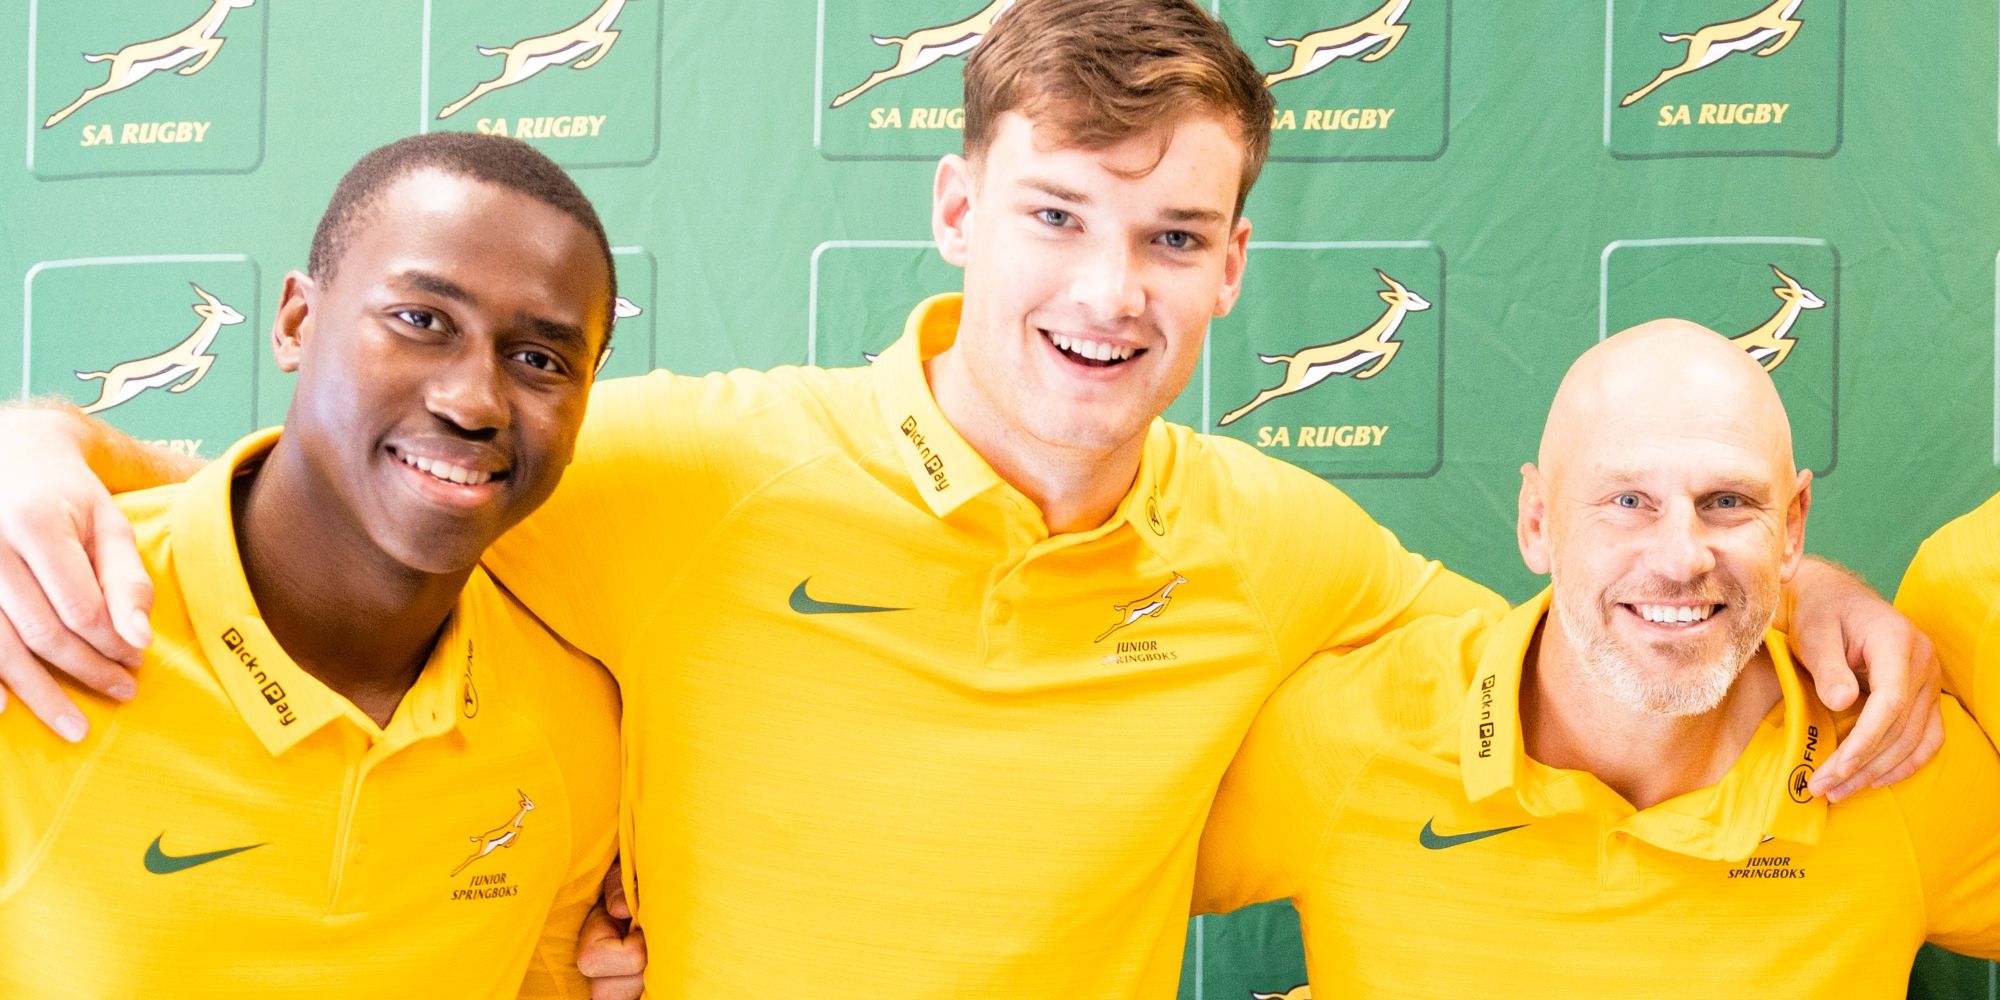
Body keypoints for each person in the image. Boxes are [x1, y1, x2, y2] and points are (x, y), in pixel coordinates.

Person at [0, 2, 1940, 995]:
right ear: (955, 210)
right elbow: (338, 486)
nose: (1108, 290)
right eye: (1056, 216)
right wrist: (34, 445)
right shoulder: (688, 469)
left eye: (1168, 236)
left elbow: (1599, 631)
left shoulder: (1287, 547)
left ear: (1233, 265)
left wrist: (1805, 586)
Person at [1191, 321, 2000, 997]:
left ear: (1791, 528)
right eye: (1628, 501)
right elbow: (1112, 887)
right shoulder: (1349, 739)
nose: (1681, 557)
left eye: (1727, 502)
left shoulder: (1895, 761)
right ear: (1537, 522)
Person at [0, 133, 622, 997]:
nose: (474, 400)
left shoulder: (574, 723)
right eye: (422, 321)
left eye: (539, 360)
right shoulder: (36, 614)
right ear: (297, 322)